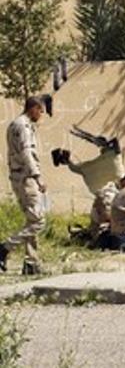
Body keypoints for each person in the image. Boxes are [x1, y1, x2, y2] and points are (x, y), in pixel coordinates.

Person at [1, 96, 51, 275]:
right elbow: (26, 153)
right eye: (40, 110)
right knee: (39, 221)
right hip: (26, 178)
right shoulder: (23, 126)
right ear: (33, 108)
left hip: (19, 177)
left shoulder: (17, 124)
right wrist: (38, 177)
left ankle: (31, 263)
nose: (42, 114)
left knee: (32, 219)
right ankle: (5, 247)